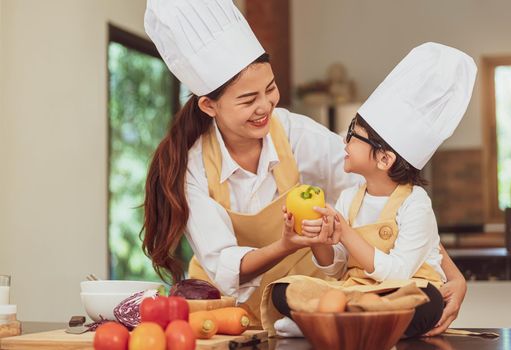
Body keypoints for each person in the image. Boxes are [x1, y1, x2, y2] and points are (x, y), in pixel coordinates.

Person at [142, 0, 467, 332]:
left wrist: (453, 276)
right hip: (224, 314)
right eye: (247, 99)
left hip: (302, 309)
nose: (265, 105)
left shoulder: (293, 134)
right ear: (210, 106)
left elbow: (386, 191)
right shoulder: (194, 166)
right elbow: (224, 267)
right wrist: (285, 244)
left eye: (269, 89)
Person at [265, 42, 477, 337]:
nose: (344, 142)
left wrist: (346, 233)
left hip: (402, 290)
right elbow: (336, 270)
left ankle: (322, 321)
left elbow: (400, 273)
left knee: (428, 301)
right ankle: (350, 320)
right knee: (284, 290)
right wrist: (318, 241)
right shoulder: (350, 198)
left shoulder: (415, 204)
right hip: (355, 290)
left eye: (353, 135)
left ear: (384, 158)